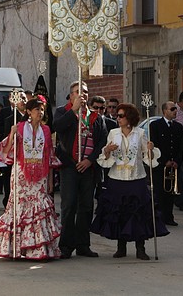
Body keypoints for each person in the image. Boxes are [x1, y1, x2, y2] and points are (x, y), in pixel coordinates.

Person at [0, 97, 61, 259]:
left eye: (42, 110)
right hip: (21, 173)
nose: (40, 113)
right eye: (37, 110)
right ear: (28, 111)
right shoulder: (19, 127)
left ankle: (38, 248)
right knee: (19, 208)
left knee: (39, 206)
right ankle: (16, 247)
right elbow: (5, 150)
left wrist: (49, 180)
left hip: (40, 174)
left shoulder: (46, 130)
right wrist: (12, 134)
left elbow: (48, 156)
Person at [91, 103, 168, 260]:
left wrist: (151, 149)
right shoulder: (113, 133)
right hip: (117, 178)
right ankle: (121, 246)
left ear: (129, 118)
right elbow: (105, 156)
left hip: (136, 178)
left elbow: (148, 157)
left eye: (121, 116)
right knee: (119, 213)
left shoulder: (140, 134)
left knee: (138, 213)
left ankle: (140, 247)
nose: (118, 118)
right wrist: (107, 151)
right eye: (117, 116)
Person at [54, 81, 107, 259]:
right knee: (69, 206)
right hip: (69, 166)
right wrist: (74, 111)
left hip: (88, 167)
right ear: (71, 95)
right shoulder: (63, 111)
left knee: (86, 206)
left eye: (84, 92)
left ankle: (83, 244)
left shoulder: (94, 116)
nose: (82, 95)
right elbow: (58, 127)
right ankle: (66, 245)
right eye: (78, 92)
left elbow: (102, 142)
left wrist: (90, 160)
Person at [149, 101, 183, 226]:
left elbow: (180, 146)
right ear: (164, 111)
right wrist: (164, 161)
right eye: (172, 109)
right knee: (159, 192)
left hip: (173, 165)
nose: (175, 111)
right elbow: (155, 145)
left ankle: (169, 217)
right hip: (160, 165)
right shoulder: (155, 125)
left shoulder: (178, 127)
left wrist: (176, 161)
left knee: (170, 193)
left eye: (175, 109)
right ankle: (158, 217)